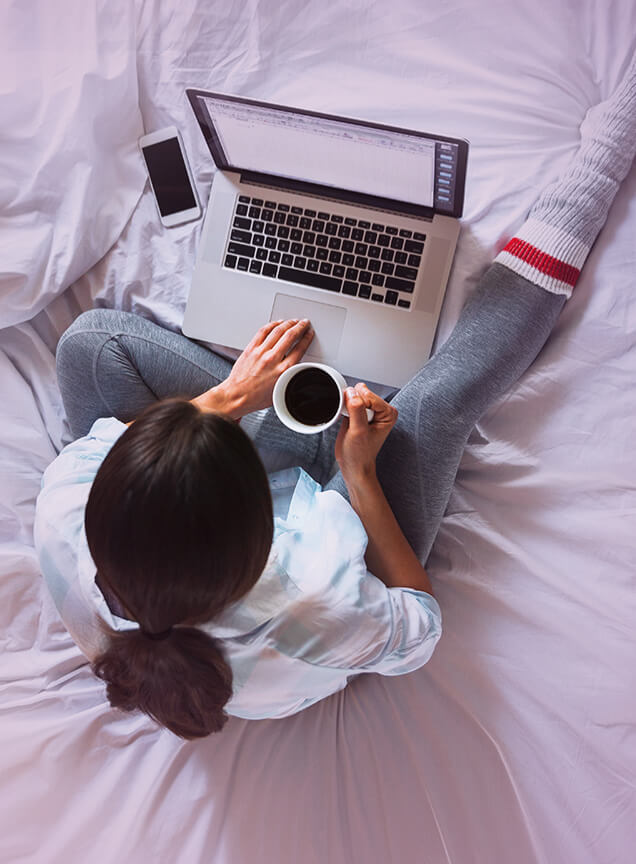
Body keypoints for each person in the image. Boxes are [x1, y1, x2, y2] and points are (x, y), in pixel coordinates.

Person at [34, 60, 636, 740]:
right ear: (262, 530)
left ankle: (223, 434)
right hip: (338, 493)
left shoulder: (65, 506)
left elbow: (125, 438)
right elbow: (419, 625)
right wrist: (359, 474)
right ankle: (604, 163)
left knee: (90, 345)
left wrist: (232, 396)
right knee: (438, 404)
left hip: (213, 532)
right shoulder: (317, 610)